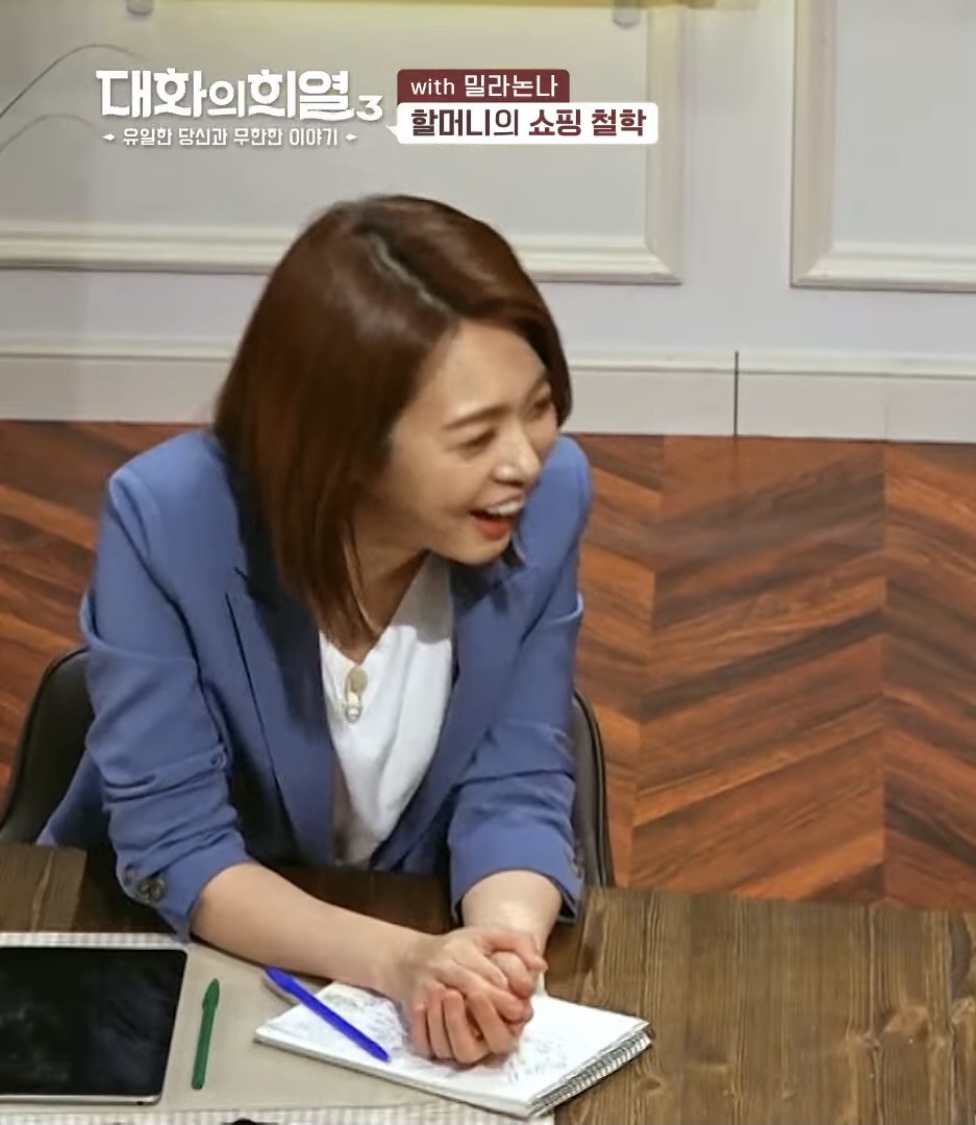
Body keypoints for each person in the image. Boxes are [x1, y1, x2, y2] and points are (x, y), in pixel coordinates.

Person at [39, 194, 596, 1067]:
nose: (524, 459)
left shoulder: (551, 497)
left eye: (539, 406)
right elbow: (181, 846)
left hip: (414, 948)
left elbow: (516, 780)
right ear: (346, 441)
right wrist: (402, 961)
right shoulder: (168, 518)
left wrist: (498, 960)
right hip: (165, 954)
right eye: (474, 436)